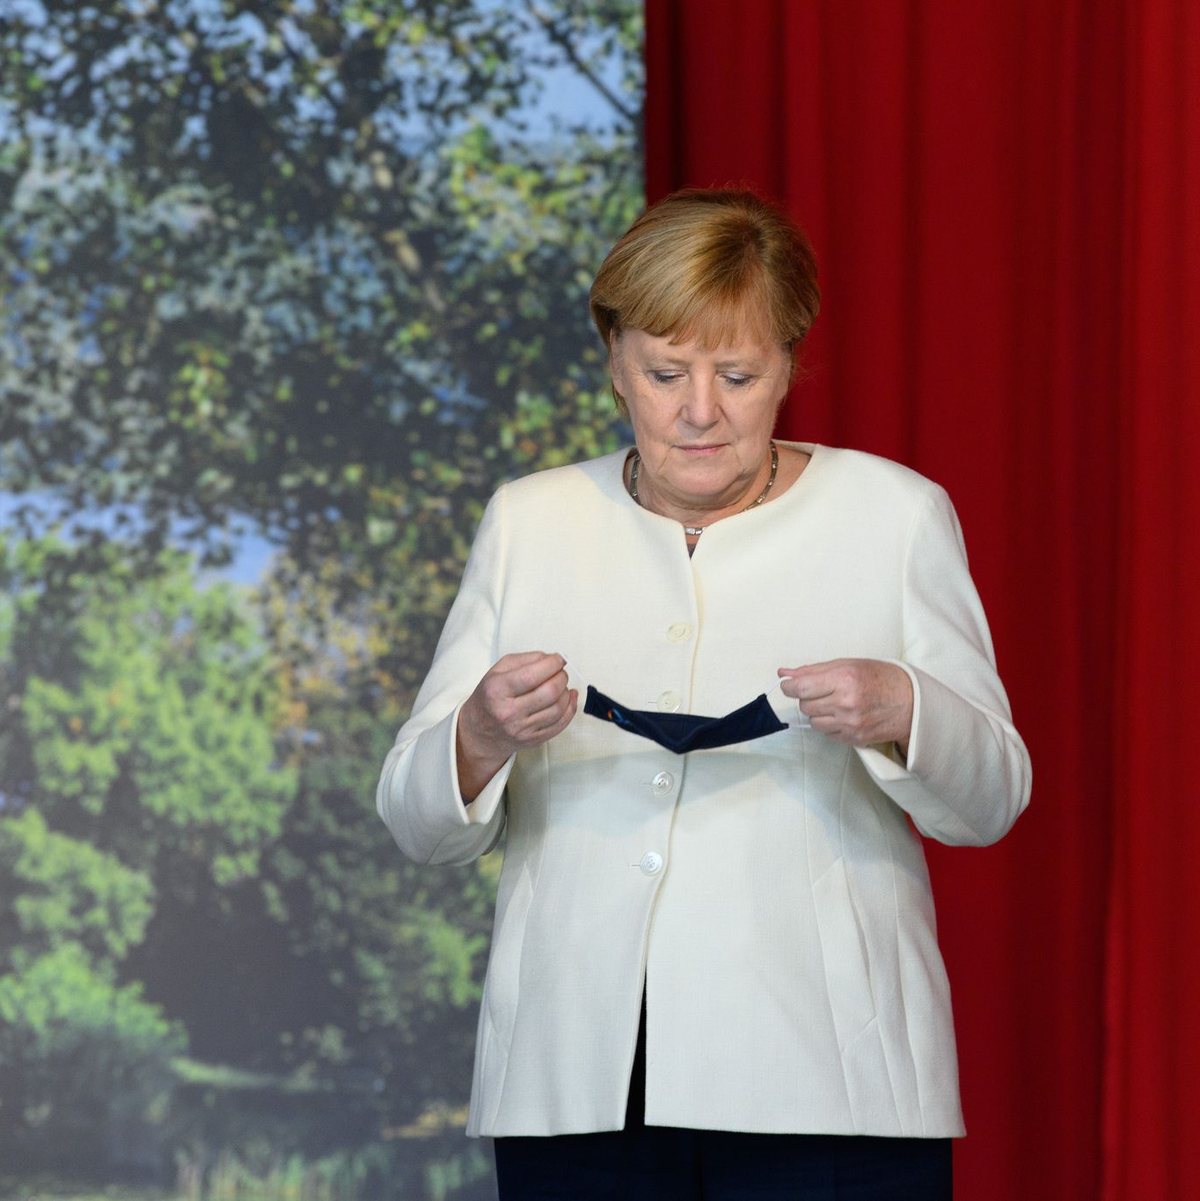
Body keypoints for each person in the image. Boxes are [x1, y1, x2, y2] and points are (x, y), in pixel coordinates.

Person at [376, 188, 1031, 1199]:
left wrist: (907, 710)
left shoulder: (894, 515)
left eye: (737, 375)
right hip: (575, 1083)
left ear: (789, 365)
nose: (698, 412)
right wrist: (480, 734)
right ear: (614, 360)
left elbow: (993, 800)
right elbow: (416, 821)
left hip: (832, 1087)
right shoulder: (529, 521)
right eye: (664, 373)